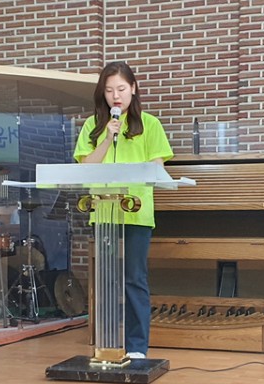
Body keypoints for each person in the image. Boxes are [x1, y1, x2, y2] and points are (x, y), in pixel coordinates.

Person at [74, 61, 174, 359]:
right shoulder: (93, 125)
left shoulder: (150, 124)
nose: (115, 96)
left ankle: (137, 347)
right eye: (109, 90)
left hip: (136, 210)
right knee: (105, 278)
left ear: (133, 88)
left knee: (134, 278)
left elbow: (157, 166)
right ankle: (106, 344)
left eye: (120, 88)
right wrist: (107, 138)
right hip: (104, 212)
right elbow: (86, 168)